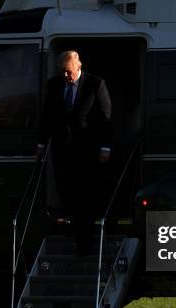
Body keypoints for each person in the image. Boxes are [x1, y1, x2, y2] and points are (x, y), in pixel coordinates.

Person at [37, 50, 112, 256]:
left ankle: (84, 242)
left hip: (87, 151)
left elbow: (106, 117)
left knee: (84, 196)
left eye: (69, 72)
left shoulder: (95, 84)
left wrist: (105, 147)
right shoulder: (54, 85)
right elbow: (47, 116)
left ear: (78, 67)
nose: (66, 76)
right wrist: (41, 144)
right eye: (63, 72)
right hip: (62, 150)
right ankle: (75, 230)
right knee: (65, 193)